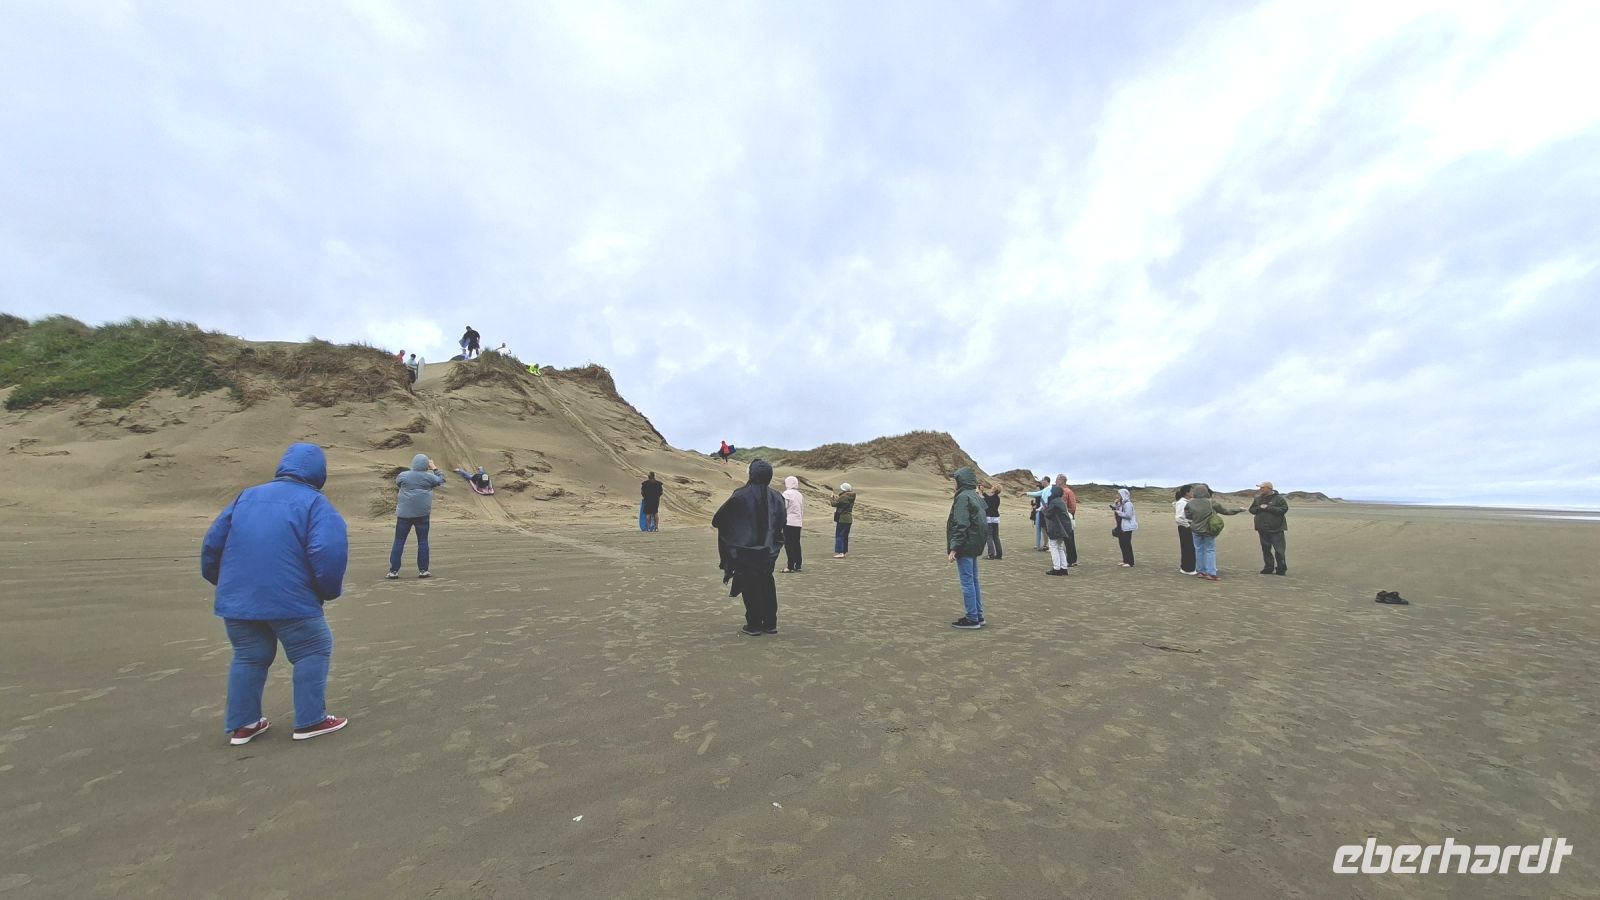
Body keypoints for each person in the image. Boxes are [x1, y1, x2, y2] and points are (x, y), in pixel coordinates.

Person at [201, 442, 350, 744]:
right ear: (319, 472)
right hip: (290, 598)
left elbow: (213, 544)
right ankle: (311, 719)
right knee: (312, 648)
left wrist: (225, 583)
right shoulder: (315, 503)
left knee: (249, 656)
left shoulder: (246, 496)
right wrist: (327, 591)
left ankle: (244, 724)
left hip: (239, 598)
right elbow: (327, 552)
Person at [712, 459, 787, 636]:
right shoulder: (777, 496)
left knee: (751, 585)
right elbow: (782, 521)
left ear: (752, 474)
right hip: (769, 551)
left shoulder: (741, 495)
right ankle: (770, 623)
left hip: (745, 550)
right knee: (766, 582)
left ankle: (754, 624)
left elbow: (719, 519)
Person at [389, 453, 446, 579]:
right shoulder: (429, 477)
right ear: (426, 465)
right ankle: (423, 570)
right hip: (422, 514)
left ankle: (393, 571)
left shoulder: (403, 475)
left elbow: (398, 483)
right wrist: (434, 467)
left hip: (404, 514)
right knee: (423, 541)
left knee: (399, 541)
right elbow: (441, 480)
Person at [947, 466, 988, 629]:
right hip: (975, 543)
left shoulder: (963, 497)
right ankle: (978, 615)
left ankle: (972, 618)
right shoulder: (975, 495)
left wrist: (954, 547)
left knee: (967, 582)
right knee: (973, 580)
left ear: (961, 481)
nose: (954, 483)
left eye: (955, 480)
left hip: (966, 544)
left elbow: (961, 523)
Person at [1183, 483, 1246, 581]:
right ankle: (1211, 573)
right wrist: (1239, 510)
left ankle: (1201, 571)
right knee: (1210, 550)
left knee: (1199, 550)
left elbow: (1188, 516)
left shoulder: (1190, 503)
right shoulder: (1211, 502)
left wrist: (1197, 519)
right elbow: (1225, 511)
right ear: (1206, 492)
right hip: (1208, 530)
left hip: (1195, 529)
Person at [1249, 481, 1290, 575]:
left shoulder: (1279, 499)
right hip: (1262, 528)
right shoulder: (1258, 498)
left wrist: (1269, 507)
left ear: (1269, 488)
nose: (1260, 489)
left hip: (1276, 529)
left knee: (1279, 550)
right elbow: (1252, 510)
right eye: (1260, 488)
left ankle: (1281, 568)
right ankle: (1268, 567)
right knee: (1266, 549)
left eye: (1262, 487)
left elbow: (1283, 509)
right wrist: (1259, 507)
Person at [1042, 484, 1074, 576]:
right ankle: (1064, 568)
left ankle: (1056, 568)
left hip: (1056, 528)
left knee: (1054, 547)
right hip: (1063, 528)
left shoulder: (1054, 502)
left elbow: (1048, 514)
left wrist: (1044, 509)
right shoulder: (1061, 501)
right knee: (1060, 547)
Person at [781, 475, 804, 573]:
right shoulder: (799, 494)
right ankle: (798, 564)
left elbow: (783, 508)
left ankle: (790, 566)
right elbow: (801, 509)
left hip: (789, 521)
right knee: (796, 543)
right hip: (798, 522)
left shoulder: (786, 493)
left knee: (789, 544)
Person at [1173, 485, 1197, 575]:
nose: (1193, 493)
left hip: (1188, 526)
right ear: (1187, 492)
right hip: (1185, 527)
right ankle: (1187, 569)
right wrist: (1188, 526)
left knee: (1190, 547)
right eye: (1191, 491)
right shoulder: (1181, 503)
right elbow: (1179, 518)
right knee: (1187, 548)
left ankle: (1188, 567)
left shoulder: (1188, 502)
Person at [1111, 488, 1139, 566]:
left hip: (1127, 527)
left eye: (1119, 494)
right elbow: (1117, 510)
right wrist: (1116, 504)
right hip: (1121, 526)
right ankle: (1125, 560)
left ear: (1123, 495)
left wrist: (1118, 512)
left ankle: (1130, 562)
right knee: (1122, 544)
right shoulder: (1121, 503)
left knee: (1126, 544)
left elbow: (1128, 515)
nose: (1117, 496)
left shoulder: (1128, 504)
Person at [1024, 476, 1051, 551]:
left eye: (1037, 488)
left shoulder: (1046, 491)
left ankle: (1046, 544)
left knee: (1045, 528)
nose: (1036, 489)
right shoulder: (1042, 492)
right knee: (1041, 528)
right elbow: (1037, 498)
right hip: (1040, 512)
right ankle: (1040, 544)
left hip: (1044, 512)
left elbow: (1044, 503)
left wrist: (1038, 508)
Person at [830, 483, 856, 558]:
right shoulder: (850, 496)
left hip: (842, 518)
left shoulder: (844, 497)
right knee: (845, 536)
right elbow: (841, 503)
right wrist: (837, 498)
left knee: (839, 535)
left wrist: (831, 498)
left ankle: (840, 552)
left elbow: (834, 504)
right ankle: (843, 552)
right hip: (848, 519)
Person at [1059, 477, 1080, 567]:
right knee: (1064, 540)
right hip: (1060, 518)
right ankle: (1066, 560)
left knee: (1069, 539)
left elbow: (1073, 507)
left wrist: (1067, 514)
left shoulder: (1068, 491)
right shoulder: (1059, 491)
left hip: (1067, 518)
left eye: (1057, 479)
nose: (1055, 481)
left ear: (1061, 480)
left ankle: (1072, 560)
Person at [981, 482, 1003, 560]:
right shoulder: (997, 498)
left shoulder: (992, 498)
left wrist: (982, 492)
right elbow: (988, 498)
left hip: (989, 518)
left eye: (992, 488)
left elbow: (987, 499)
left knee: (989, 536)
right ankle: (999, 554)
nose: (991, 488)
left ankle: (991, 554)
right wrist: (983, 492)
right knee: (996, 537)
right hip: (996, 519)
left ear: (994, 490)